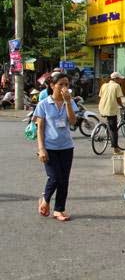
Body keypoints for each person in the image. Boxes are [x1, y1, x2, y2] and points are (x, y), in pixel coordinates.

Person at [33, 73, 78, 221]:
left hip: (66, 146)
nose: (65, 88)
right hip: (49, 147)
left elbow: (72, 122)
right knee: (54, 177)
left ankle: (59, 209)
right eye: (61, 84)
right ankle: (45, 200)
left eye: (67, 84)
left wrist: (68, 103)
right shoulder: (43, 104)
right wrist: (41, 149)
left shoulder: (70, 102)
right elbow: (40, 128)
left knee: (64, 180)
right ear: (52, 85)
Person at [98, 72, 125, 154]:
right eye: (120, 79)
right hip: (110, 109)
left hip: (102, 107)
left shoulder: (104, 85)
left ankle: (109, 135)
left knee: (110, 125)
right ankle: (116, 148)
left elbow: (101, 96)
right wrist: (123, 106)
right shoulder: (117, 86)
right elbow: (118, 100)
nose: (121, 80)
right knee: (114, 130)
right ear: (116, 79)